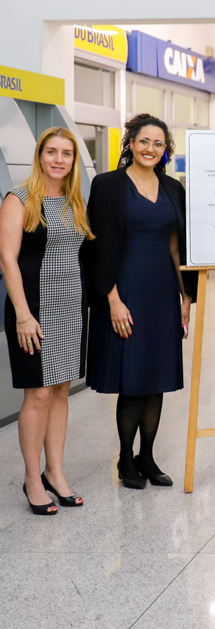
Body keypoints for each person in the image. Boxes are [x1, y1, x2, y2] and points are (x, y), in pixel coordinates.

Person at [86, 114, 197, 490]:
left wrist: (186, 296)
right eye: (144, 141)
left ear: (166, 150)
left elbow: (175, 244)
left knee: (157, 377)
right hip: (126, 290)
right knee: (133, 379)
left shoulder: (173, 188)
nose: (151, 149)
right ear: (130, 143)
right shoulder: (109, 185)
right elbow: (97, 245)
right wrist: (112, 300)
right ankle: (125, 457)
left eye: (159, 144)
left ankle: (147, 456)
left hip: (162, 291)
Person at [1, 128, 93, 514]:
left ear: (73, 160)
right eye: (51, 152)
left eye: (66, 154)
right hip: (32, 308)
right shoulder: (19, 198)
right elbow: (7, 259)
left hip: (71, 306)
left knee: (59, 390)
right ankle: (32, 477)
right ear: (40, 156)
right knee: (37, 393)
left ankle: (56, 472)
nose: (59, 159)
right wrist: (22, 314)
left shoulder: (74, 201)